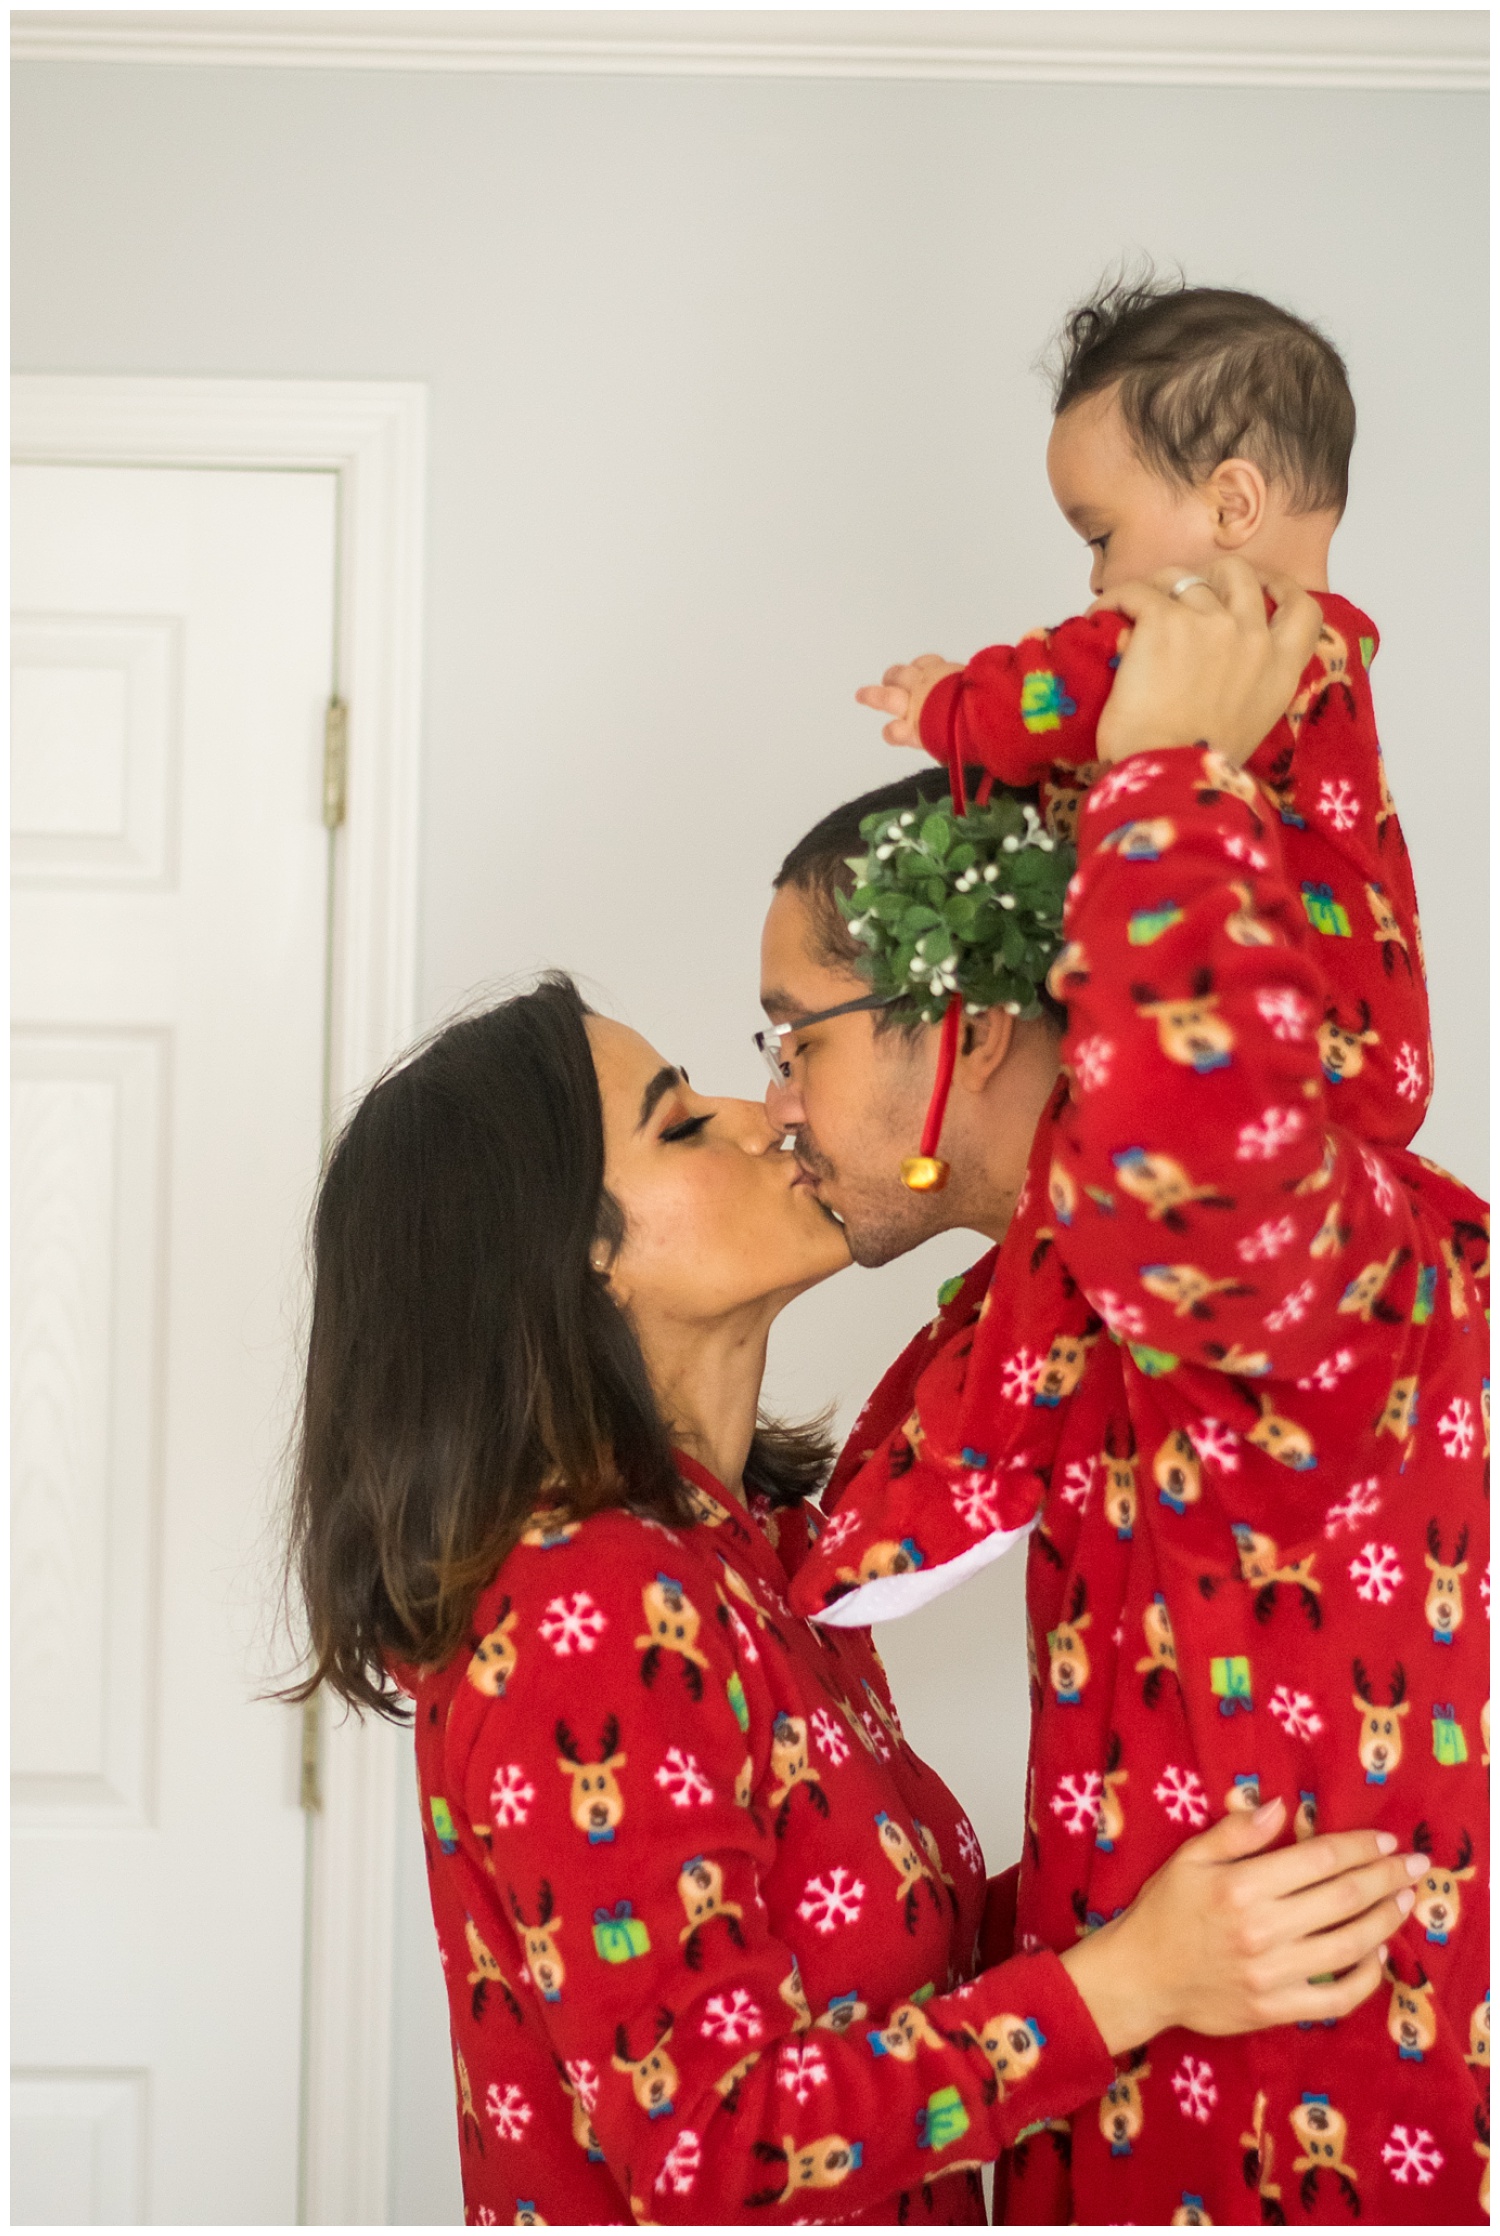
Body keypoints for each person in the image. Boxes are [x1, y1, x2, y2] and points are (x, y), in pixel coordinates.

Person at [285, 961, 1420, 2227]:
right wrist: (1130, 1982)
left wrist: (1176, 1891)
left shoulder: (752, 1566)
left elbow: (882, 1979)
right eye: (679, 1119)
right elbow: (723, 2154)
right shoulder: (587, 1607)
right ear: (575, 1259)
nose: (763, 1112)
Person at [765, 561, 1488, 2223]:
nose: (777, 1102)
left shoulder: (1299, 1229)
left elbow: (1203, 1169)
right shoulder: (1059, 1319)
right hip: (1141, 2145)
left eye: (792, 1034)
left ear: (957, 1025)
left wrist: (1162, 777)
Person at [856, 276, 1429, 1149]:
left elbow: (1045, 697)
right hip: (1367, 1060)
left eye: (1101, 538)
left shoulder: (1215, 633)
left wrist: (949, 700)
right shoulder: (1334, 657)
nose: (1094, 583)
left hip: (1277, 1049)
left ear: (1231, 506)